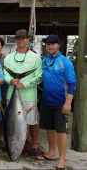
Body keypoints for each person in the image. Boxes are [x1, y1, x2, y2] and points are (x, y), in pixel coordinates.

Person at [36, 35, 76, 170]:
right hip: (46, 101)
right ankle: (52, 153)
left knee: (61, 131)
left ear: (59, 45)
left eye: (53, 44)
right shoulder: (44, 60)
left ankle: (62, 160)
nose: (50, 46)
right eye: (48, 44)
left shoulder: (65, 62)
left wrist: (68, 102)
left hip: (61, 103)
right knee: (50, 129)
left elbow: (72, 83)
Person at [3, 29, 43, 158]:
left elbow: (39, 77)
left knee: (32, 122)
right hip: (11, 95)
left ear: (27, 40)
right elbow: (5, 75)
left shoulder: (35, 57)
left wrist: (24, 84)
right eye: (18, 39)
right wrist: (11, 80)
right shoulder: (8, 58)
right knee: (11, 123)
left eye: (23, 38)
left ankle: (34, 146)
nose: (20, 41)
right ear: (15, 40)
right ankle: (13, 144)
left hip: (29, 95)